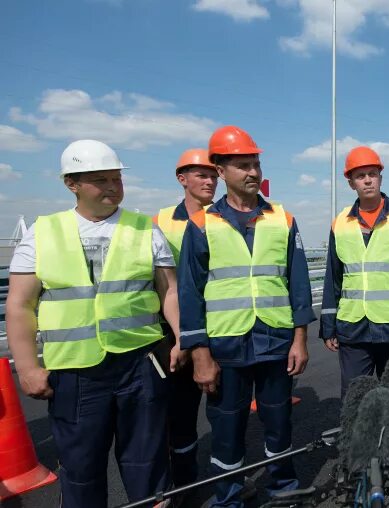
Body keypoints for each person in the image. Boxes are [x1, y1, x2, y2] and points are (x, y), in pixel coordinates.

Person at [6, 140, 181, 508]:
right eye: (101, 180)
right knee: (80, 468)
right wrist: (27, 367)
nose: (113, 187)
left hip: (140, 363)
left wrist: (180, 339)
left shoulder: (144, 229)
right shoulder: (44, 232)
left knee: (147, 463)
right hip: (74, 370)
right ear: (72, 183)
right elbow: (21, 305)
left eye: (116, 178)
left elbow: (169, 292)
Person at [178, 125, 314, 507]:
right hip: (225, 346)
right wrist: (200, 355)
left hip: (275, 341)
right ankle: (230, 497)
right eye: (242, 165)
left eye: (255, 163)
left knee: (279, 423)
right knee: (226, 430)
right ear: (221, 172)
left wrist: (300, 340)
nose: (253, 172)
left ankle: (283, 489)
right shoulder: (202, 224)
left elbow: (298, 284)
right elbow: (190, 292)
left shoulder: (283, 220)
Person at [320, 146, 389, 397]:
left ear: (380, 176)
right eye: (360, 176)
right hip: (353, 327)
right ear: (351, 183)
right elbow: (333, 278)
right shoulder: (340, 223)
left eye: (372, 173)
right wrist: (329, 325)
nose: (367, 180)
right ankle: (358, 438)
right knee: (354, 397)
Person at [153, 148, 218, 488]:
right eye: (201, 175)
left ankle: (226, 479)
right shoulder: (160, 222)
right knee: (178, 415)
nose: (210, 181)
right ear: (182, 179)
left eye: (213, 175)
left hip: (220, 325)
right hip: (176, 330)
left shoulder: (224, 218)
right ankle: (182, 483)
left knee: (223, 413)